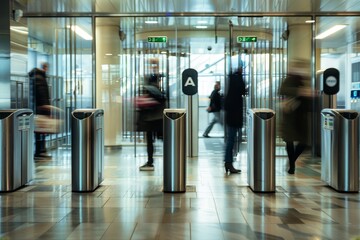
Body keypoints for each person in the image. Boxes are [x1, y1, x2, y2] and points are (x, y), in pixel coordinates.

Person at [278, 59, 313, 174]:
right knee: (289, 141)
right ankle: (292, 165)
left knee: (303, 142)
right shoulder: (289, 80)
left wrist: (309, 95)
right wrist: (300, 91)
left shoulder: (304, 81)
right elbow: (282, 90)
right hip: (290, 116)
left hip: (300, 117)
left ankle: (292, 161)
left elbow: (307, 101)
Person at [136, 74, 166, 171]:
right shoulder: (160, 91)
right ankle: (172, 157)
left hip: (150, 120)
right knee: (162, 139)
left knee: (150, 142)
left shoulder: (148, 89)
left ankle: (150, 162)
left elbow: (144, 105)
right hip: (159, 120)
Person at [223, 66, 246, 174]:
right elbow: (242, 90)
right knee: (231, 140)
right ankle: (228, 162)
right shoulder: (236, 79)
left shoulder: (231, 79)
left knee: (231, 140)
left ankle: (228, 163)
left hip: (231, 116)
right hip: (234, 116)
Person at [29, 62, 52, 159]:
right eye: (46, 67)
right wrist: (46, 108)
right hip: (41, 109)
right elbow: (42, 94)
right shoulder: (40, 78)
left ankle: (41, 150)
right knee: (41, 131)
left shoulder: (36, 77)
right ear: (45, 68)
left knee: (40, 131)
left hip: (37, 109)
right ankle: (40, 151)